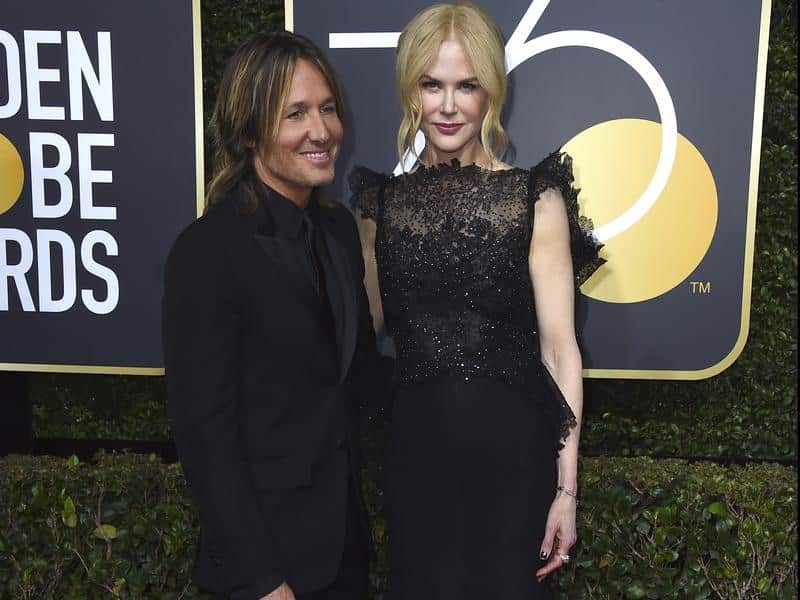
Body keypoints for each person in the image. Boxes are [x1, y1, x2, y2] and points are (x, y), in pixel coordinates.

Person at [349, 3, 604, 598]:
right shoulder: (380, 208)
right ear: (410, 89)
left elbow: (561, 350)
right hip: (416, 458)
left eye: (467, 86)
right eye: (431, 85)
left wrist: (566, 491)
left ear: (491, 92)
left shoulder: (533, 201)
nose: (447, 105)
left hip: (512, 459)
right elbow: (360, 336)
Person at [163, 31, 382, 600]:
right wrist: (261, 580)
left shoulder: (336, 232)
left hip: (343, 558)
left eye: (328, 108)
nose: (321, 131)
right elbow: (205, 436)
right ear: (250, 132)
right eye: (295, 114)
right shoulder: (208, 252)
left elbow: (356, 379)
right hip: (265, 574)